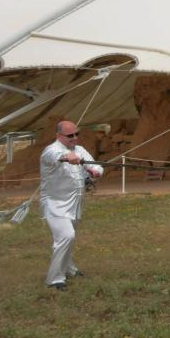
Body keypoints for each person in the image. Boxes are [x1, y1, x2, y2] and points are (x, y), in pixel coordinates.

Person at [39, 120, 103, 291]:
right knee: (66, 236)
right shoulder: (51, 150)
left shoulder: (80, 150)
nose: (74, 138)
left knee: (68, 238)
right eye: (70, 136)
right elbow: (52, 157)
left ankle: (69, 269)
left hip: (75, 203)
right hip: (55, 204)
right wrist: (66, 156)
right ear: (58, 136)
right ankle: (54, 279)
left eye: (76, 134)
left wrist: (95, 172)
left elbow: (94, 165)